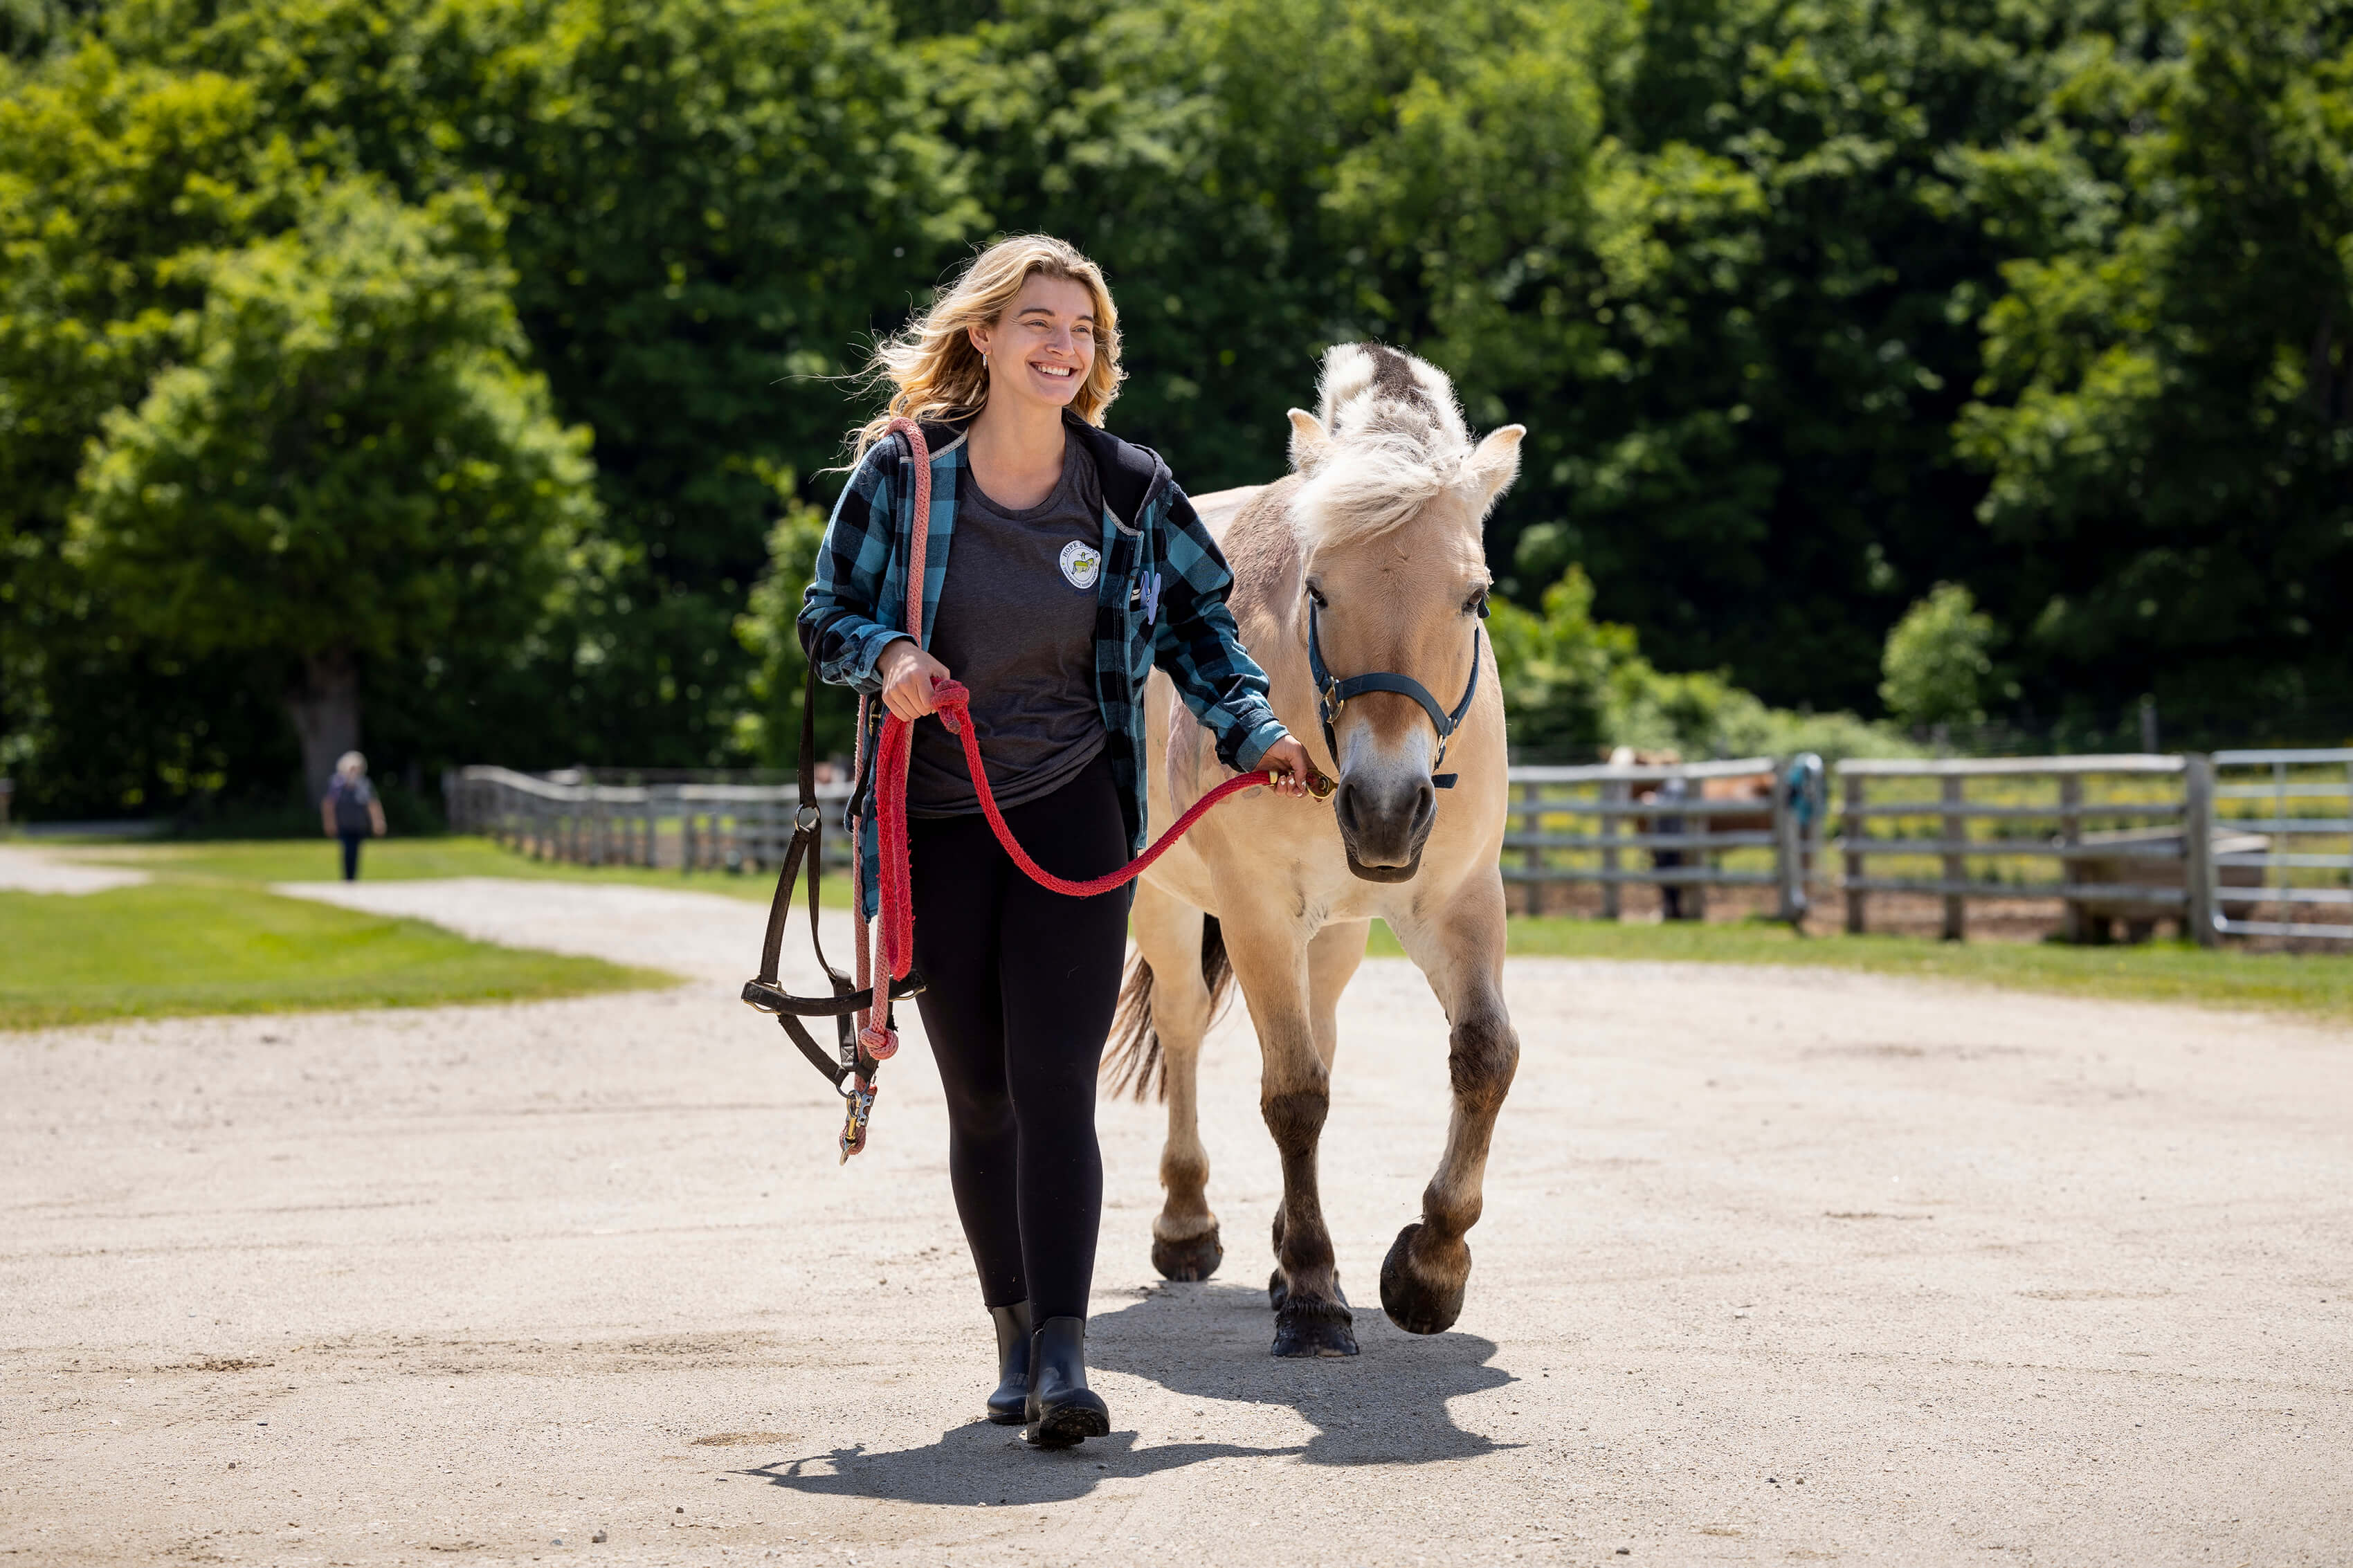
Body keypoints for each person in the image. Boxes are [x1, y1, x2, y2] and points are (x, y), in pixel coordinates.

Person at [799, 235, 1318, 1450]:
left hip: (1072, 812)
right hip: (933, 817)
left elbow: (1204, 625)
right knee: (980, 1094)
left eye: (1080, 329)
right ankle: (1014, 1333)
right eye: (1037, 321)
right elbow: (827, 613)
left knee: (1051, 1085)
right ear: (982, 334)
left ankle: (1070, 1358)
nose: (1061, 345)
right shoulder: (905, 476)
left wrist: (1257, 733)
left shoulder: (1129, 486)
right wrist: (890, 656)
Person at [320, 751, 386, 880]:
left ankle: (352, 878)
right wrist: (329, 823)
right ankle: (348, 878)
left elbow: (373, 804)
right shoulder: (337, 784)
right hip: (343, 825)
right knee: (347, 850)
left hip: (359, 825)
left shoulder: (364, 784)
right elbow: (329, 805)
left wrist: (378, 822)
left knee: (356, 851)